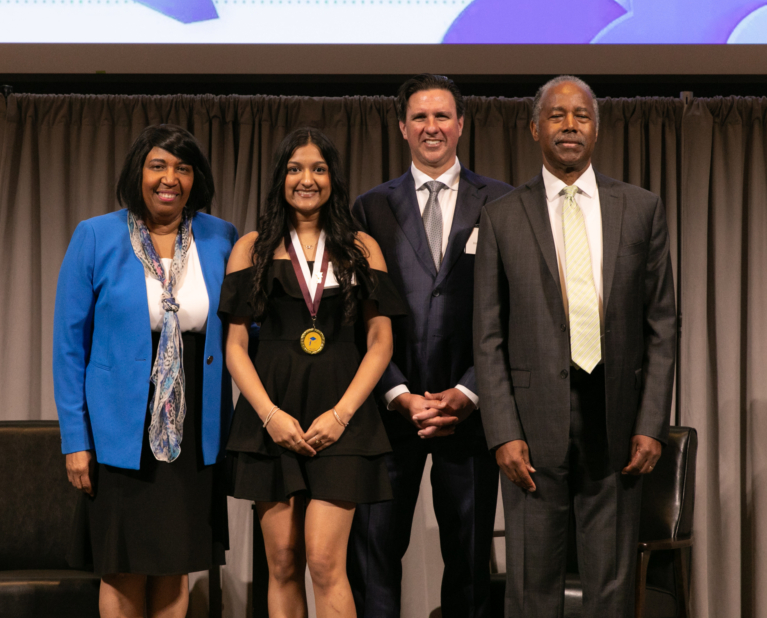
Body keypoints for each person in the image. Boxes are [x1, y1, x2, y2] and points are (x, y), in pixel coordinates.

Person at [474, 75, 677, 617]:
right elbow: (487, 336)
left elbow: (662, 323)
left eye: (581, 116)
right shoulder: (501, 216)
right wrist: (503, 432)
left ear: (597, 129)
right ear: (534, 128)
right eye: (557, 115)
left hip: (617, 425)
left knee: (611, 590)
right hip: (530, 431)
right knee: (531, 591)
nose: (570, 126)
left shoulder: (641, 208)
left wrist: (651, 423)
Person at [53, 124, 238, 618]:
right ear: (139, 172)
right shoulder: (96, 235)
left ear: (196, 179)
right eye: (158, 166)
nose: (169, 178)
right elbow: (69, 347)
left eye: (182, 168)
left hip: (193, 428)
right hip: (119, 431)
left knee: (175, 565)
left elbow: (245, 328)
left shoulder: (221, 237)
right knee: (122, 567)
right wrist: (76, 440)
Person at [219, 127, 405, 618]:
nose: (307, 179)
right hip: (271, 421)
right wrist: (269, 416)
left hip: (343, 421)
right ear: (280, 178)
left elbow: (381, 342)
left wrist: (342, 415)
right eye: (295, 169)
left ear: (333, 178)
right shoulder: (251, 248)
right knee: (282, 562)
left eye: (318, 169)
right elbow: (235, 347)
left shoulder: (362, 247)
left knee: (324, 562)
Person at [348, 74, 512, 618]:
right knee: (373, 559)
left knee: (468, 563)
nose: (431, 126)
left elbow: (515, 311)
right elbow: (357, 317)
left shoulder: (504, 202)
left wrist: (469, 390)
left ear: (461, 124)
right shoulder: (370, 208)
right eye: (419, 116)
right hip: (387, 414)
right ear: (402, 127)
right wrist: (398, 393)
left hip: (470, 414)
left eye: (442, 115)